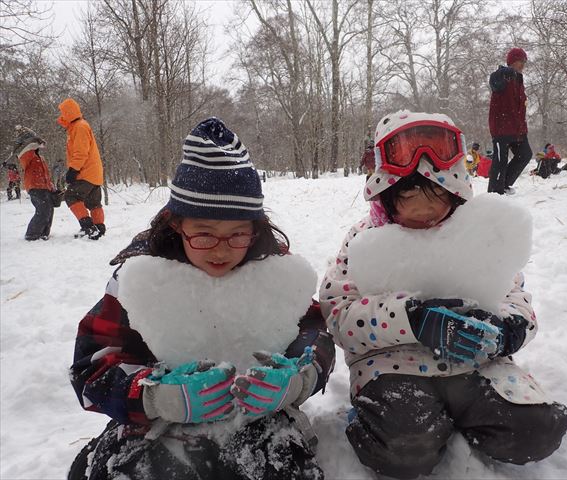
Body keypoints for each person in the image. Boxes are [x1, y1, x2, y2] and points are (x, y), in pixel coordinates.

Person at [67, 117, 335, 480]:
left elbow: (315, 335)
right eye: (204, 234)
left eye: (237, 234)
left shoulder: (274, 273)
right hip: (156, 424)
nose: (221, 251)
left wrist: (297, 379)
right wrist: (154, 396)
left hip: (256, 419)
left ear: (255, 229)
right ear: (177, 224)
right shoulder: (141, 279)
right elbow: (91, 365)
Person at [319, 110, 567, 479]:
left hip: (476, 364)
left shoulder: (476, 236)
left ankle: (464, 417)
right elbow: (339, 315)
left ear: (456, 192)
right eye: (409, 197)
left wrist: (508, 329)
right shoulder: (364, 239)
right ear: (387, 197)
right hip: (391, 366)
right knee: (404, 451)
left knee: (538, 430)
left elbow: (514, 294)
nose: (425, 213)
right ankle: (387, 424)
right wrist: (412, 320)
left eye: (437, 196)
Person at [57, 98, 106, 239]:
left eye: (63, 112)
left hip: (86, 172)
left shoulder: (79, 127)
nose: (61, 115)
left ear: (68, 112)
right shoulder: (79, 126)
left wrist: (73, 170)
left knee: (71, 196)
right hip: (94, 173)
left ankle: (88, 227)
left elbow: (81, 152)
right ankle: (99, 228)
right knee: (93, 202)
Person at [488, 47, 532, 195]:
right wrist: (503, 73)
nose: (523, 64)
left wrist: (522, 127)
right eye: (520, 61)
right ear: (512, 61)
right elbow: (494, 81)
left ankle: (504, 184)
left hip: (517, 128)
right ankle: (495, 193)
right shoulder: (502, 76)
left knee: (525, 154)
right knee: (500, 161)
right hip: (502, 128)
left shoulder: (519, 81)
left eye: (524, 62)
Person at [11, 126, 58, 240]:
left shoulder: (40, 158)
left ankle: (44, 233)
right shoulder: (26, 156)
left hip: (45, 187)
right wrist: (33, 138)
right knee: (43, 210)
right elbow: (27, 147)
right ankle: (32, 234)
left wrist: (51, 186)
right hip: (35, 187)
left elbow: (46, 174)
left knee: (49, 210)